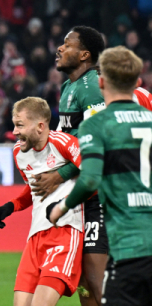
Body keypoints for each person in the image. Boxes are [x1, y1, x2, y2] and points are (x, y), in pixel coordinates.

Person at [49, 46, 152, 306]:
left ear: (102, 82)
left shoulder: (95, 125)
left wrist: (62, 207)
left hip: (130, 246)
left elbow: (91, 179)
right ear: (138, 82)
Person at [30, 26, 107, 306]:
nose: (59, 48)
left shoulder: (93, 87)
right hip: (79, 196)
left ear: (85, 54)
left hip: (100, 197)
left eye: (67, 44)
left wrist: (59, 175)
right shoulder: (68, 87)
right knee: (85, 283)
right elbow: (69, 141)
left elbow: (96, 142)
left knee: (97, 282)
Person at [0, 97, 84, 306]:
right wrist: (12, 205)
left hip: (65, 231)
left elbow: (93, 176)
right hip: (34, 238)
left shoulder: (63, 143)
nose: (14, 131)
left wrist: (64, 205)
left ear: (40, 126)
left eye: (20, 125)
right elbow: (34, 190)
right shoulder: (19, 152)